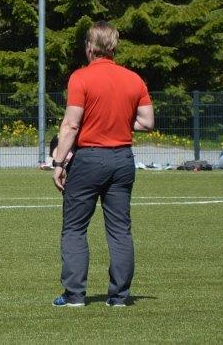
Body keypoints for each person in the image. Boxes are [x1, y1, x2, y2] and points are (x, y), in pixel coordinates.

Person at [51, 21, 154, 308]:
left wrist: (58, 162)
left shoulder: (81, 78)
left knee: (74, 228)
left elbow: (71, 124)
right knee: (120, 229)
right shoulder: (134, 79)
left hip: (89, 158)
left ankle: (74, 295)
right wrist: (119, 118)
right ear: (113, 47)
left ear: (89, 47)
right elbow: (147, 121)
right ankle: (119, 296)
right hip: (122, 159)